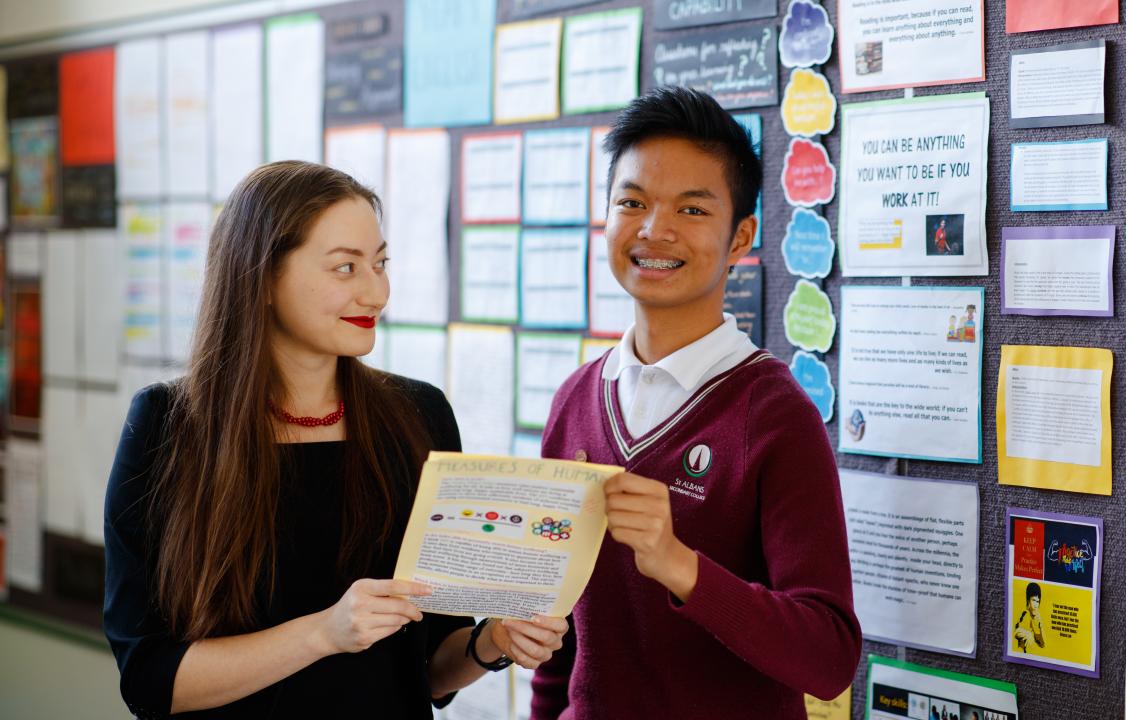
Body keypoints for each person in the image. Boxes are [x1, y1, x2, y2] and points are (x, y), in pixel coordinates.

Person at [103, 161, 568, 718]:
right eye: (346, 268)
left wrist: (491, 643)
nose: (377, 292)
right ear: (263, 278)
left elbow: (429, 671)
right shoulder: (167, 426)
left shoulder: (419, 416)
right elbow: (150, 681)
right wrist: (324, 633)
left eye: (380, 263)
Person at [531, 86, 860, 718]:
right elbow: (558, 644)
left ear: (741, 238)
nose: (656, 230)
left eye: (691, 209)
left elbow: (829, 657)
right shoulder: (576, 400)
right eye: (632, 202)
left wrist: (679, 565)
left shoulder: (774, 414)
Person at [1013, 582, 1045, 652]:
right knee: (1029, 636)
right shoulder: (1024, 613)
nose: (1035, 605)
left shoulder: (1037, 617)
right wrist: (1028, 635)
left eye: (1037, 601)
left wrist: (1041, 628)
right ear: (1028, 600)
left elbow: (1042, 644)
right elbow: (1015, 632)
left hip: (1033, 652)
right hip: (1022, 651)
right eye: (1033, 600)